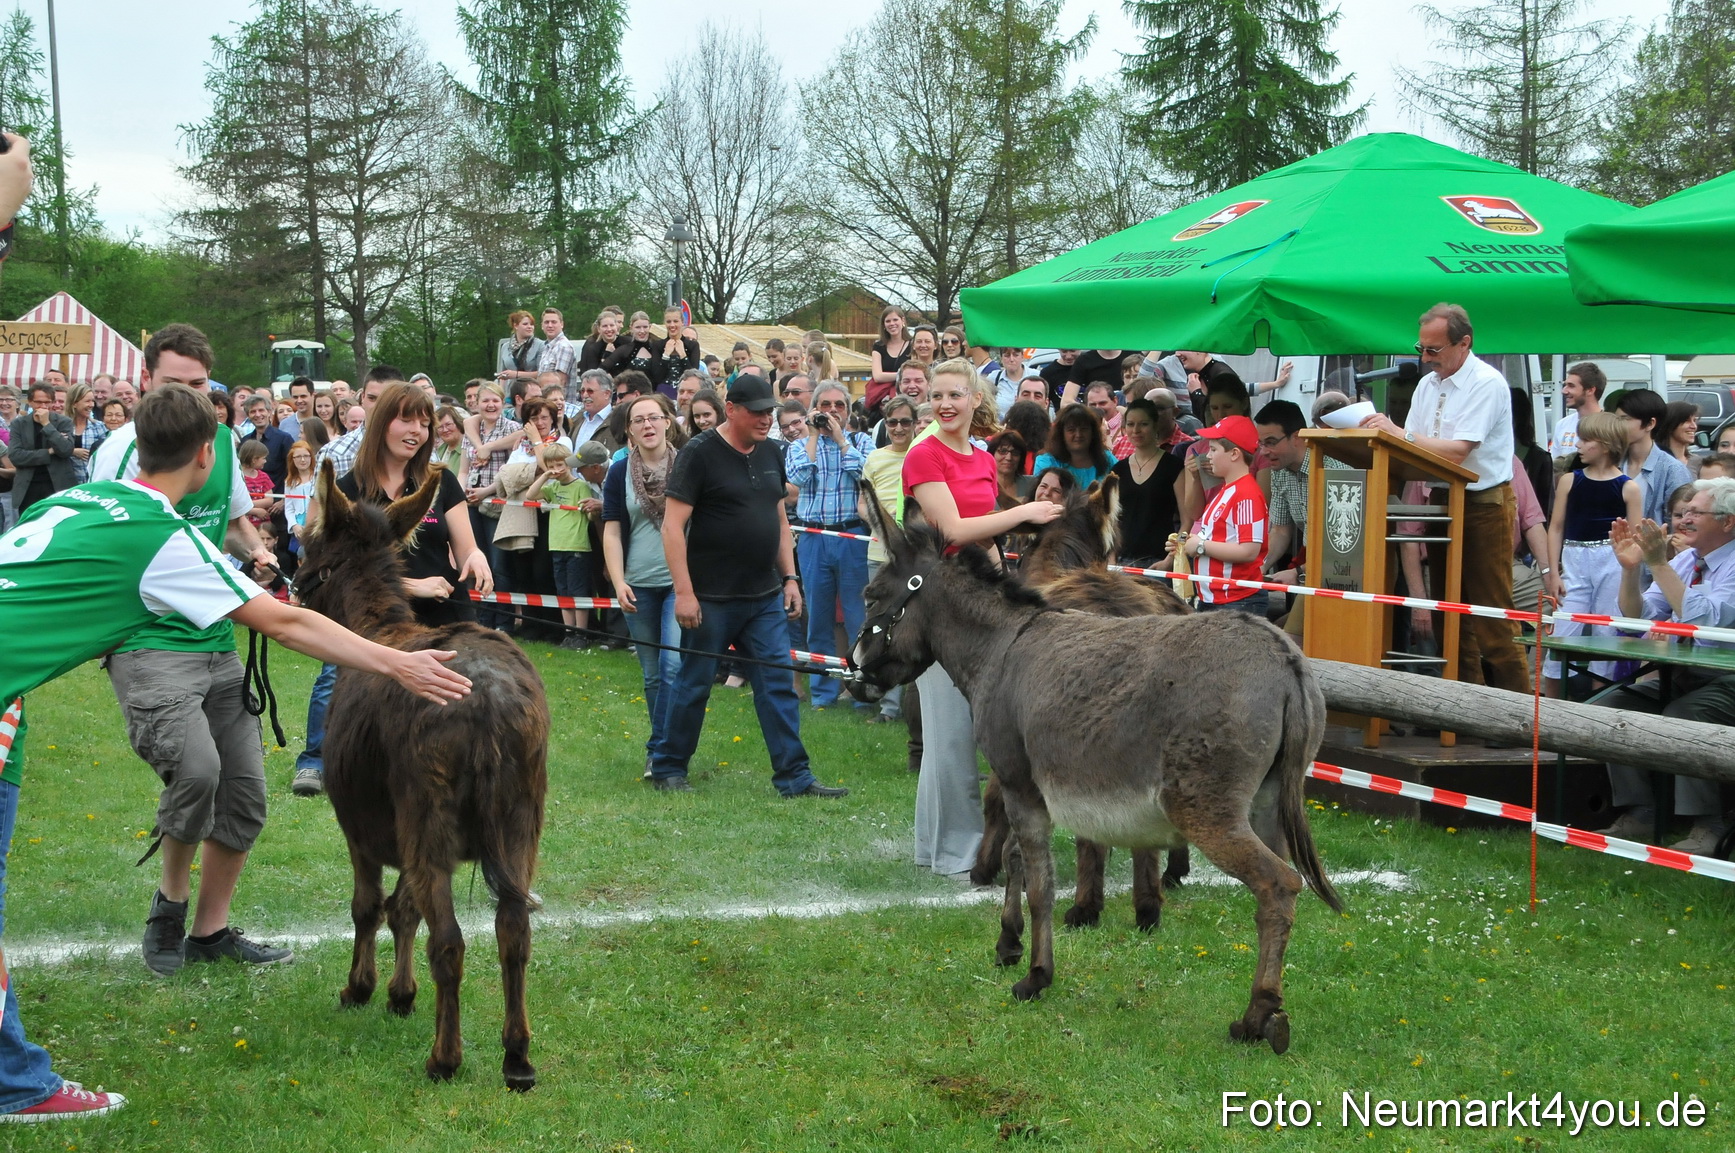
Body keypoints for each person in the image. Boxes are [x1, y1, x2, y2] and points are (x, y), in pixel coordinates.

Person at [0, 380, 471, 1121]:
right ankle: (16, 1083)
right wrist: (398, 661)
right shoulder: (161, 537)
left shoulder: (74, 502)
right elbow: (285, 624)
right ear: (204, 453)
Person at [902, 358, 1062, 877]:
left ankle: (938, 846)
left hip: (980, 603)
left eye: (955, 395)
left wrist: (1003, 584)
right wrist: (1025, 513)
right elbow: (950, 530)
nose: (945, 404)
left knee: (974, 730)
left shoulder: (982, 457)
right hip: (940, 607)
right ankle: (957, 851)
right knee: (948, 734)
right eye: (937, 395)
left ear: (975, 400)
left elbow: (985, 536)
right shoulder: (923, 456)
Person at [650, 374, 845, 798]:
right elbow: (672, 526)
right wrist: (684, 592)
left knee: (777, 684)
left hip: (764, 597)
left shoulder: (772, 451)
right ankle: (667, 767)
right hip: (710, 599)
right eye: (756, 411)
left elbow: (778, 519)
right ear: (732, 409)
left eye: (769, 412)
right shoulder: (699, 454)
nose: (765, 419)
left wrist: (790, 578)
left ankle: (795, 777)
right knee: (694, 685)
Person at [1360, 303, 1528, 694]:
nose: (1424, 358)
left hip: (1484, 503)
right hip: (1441, 500)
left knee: (1491, 617)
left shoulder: (1486, 382)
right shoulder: (1426, 384)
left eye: (1433, 350)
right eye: (1421, 348)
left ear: (1464, 343)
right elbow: (1414, 453)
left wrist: (1398, 434)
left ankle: (1520, 719)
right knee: (1448, 617)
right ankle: (1463, 714)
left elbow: (1457, 451)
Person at [1594, 479, 1735, 855]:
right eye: (1684, 511)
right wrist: (1630, 569)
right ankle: (1642, 811)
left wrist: (1658, 562)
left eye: (1696, 512)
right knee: (1611, 707)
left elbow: (1706, 620)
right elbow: (1635, 618)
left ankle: (1709, 824)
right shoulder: (1689, 559)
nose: (1685, 519)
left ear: (1727, 522)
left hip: (1728, 680)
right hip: (1688, 674)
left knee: (1684, 713)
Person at [324, 382, 494, 629]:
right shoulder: (346, 490)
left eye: (425, 425)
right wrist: (411, 585)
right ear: (381, 423)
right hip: (377, 625)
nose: (417, 431)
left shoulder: (441, 481)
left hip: (447, 619)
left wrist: (475, 556)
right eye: (406, 420)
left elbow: (466, 548)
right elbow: (335, 572)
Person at [603, 393, 687, 772]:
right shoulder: (619, 472)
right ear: (629, 430)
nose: (648, 425)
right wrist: (618, 581)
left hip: (678, 584)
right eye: (639, 420)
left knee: (672, 666)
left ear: (668, 421)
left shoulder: (687, 466)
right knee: (652, 675)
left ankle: (662, 750)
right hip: (638, 583)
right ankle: (662, 749)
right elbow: (612, 531)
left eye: (654, 417)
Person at [785, 381, 875, 709]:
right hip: (813, 538)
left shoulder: (860, 441)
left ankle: (860, 692)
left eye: (839, 405)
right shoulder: (800, 444)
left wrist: (840, 440)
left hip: (851, 536)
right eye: (825, 404)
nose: (832, 410)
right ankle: (823, 694)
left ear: (848, 411)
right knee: (819, 619)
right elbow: (799, 478)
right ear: (815, 408)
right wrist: (812, 435)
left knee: (856, 619)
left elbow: (866, 475)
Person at [1542, 412, 1643, 698]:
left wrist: (1629, 578)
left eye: (1586, 440)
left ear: (1607, 445)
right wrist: (1553, 571)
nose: (1579, 445)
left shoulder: (1628, 487)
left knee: (1607, 636)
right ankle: (1551, 707)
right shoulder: (1570, 481)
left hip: (1611, 561)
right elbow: (1556, 527)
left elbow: (1634, 540)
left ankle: (1603, 705)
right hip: (1574, 559)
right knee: (1562, 633)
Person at [1174, 414, 1269, 617]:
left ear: (1234, 454)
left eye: (1213, 449)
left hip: (1237, 601)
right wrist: (1185, 543)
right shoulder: (1228, 489)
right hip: (1218, 599)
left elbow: (1249, 550)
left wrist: (1200, 546)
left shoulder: (1246, 494)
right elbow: (1217, 536)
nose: (1207, 455)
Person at [861, 395, 917, 723]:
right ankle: (887, 707)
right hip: (878, 554)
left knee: (912, 630)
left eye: (905, 422)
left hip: (915, 559)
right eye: (892, 422)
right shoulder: (875, 458)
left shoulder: (922, 455)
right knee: (881, 630)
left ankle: (913, 709)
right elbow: (861, 503)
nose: (898, 428)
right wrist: (882, 527)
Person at [531, 441, 598, 649]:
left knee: (578, 591)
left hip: (577, 546)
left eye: (560, 465)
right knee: (564, 592)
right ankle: (569, 632)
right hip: (556, 546)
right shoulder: (552, 487)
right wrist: (544, 475)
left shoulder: (581, 486)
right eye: (551, 466)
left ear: (568, 464)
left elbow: (590, 514)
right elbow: (530, 495)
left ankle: (581, 633)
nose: (556, 470)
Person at [1113, 398, 1186, 566]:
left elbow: (1187, 520)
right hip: (1122, 561)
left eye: (1143, 424)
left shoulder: (1174, 466)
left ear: (1155, 425)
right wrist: (1111, 558)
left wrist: (1170, 559)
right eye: (1130, 424)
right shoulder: (1119, 469)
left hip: (1159, 561)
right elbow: (1113, 520)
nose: (1136, 430)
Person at [1611, 388, 1694, 533]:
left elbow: (1679, 525)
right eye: (1617, 419)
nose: (1618, 425)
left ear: (1650, 424)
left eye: (1625, 419)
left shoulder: (1671, 469)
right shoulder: (1613, 462)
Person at [8, 382, 75, 515]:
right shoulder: (19, 424)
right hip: (28, 487)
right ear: (30, 402)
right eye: (38, 402)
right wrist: (48, 452)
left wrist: (46, 424)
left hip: (57, 486)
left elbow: (65, 450)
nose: (43, 406)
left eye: (47, 402)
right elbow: (16, 456)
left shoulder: (63, 422)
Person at [1033, 403, 1115, 489]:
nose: (1078, 435)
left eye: (1084, 429)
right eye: (1071, 430)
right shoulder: (1046, 462)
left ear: (1092, 432)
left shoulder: (1107, 459)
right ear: (1061, 433)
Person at [1549, 362, 1604, 459]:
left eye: (1571, 386)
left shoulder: (1609, 427)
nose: (1564, 391)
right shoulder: (1562, 425)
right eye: (1565, 385)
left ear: (1590, 390)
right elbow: (1555, 465)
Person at [240, 393, 294, 492]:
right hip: (251, 502)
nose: (257, 415)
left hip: (278, 499)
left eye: (261, 410)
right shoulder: (245, 441)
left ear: (269, 412)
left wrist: (283, 500)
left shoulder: (284, 439)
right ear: (248, 415)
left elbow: (293, 471)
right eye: (253, 411)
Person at [867, 306, 910, 419]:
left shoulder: (912, 345)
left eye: (895, 320)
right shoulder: (878, 346)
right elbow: (877, 376)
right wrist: (902, 375)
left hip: (906, 394)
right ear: (884, 325)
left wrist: (904, 378)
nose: (892, 323)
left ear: (903, 321)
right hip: (882, 398)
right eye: (888, 321)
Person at [496, 309, 545, 393]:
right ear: (516, 326)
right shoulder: (505, 347)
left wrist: (516, 374)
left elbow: (542, 374)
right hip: (511, 393)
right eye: (525, 324)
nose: (530, 327)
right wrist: (501, 394)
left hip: (532, 391)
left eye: (532, 324)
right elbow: (502, 375)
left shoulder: (540, 345)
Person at [63, 383, 104, 484]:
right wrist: (71, 451)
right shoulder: (61, 427)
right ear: (74, 403)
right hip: (67, 483)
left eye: (92, 401)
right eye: (87, 401)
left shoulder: (99, 427)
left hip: (92, 483)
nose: (91, 405)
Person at [988, 429, 1029, 508]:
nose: (1009, 457)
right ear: (992, 454)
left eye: (1015, 453)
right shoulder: (982, 485)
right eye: (1003, 451)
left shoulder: (1032, 485)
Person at [536, 308, 576, 387]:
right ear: (542, 326)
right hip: (546, 398)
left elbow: (560, 382)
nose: (550, 325)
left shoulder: (563, 346)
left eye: (554, 322)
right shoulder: (547, 347)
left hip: (558, 398)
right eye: (546, 322)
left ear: (562, 324)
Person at [579, 307, 625, 374]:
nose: (621, 326)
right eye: (619, 322)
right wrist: (607, 355)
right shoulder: (592, 346)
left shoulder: (627, 342)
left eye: (612, 325)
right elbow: (589, 373)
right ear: (599, 328)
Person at [1657, 401, 1701, 468]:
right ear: (1670, 424)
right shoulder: (1655, 461)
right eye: (1687, 421)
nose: (1694, 426)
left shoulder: (1698, 462)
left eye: (1694, 421)